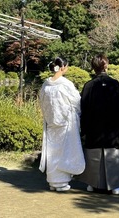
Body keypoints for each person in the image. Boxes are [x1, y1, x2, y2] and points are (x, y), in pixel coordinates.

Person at [79, 53, 119, 194]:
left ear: (93, 67)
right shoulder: (114, 84)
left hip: (94, 128)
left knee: (93, 153)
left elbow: (83, 109)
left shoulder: (88, 85)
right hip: (112, 129)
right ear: (106, 65)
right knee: (112, 153)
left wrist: (83, 129)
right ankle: (115, 186)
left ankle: (91, 184)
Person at [39, 57, 85, 192]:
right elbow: (77, 101)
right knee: (66, 150)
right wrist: (78, 114)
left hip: (51, 122)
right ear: (63, 66)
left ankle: (53, 181)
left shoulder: (45, 85)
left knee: (53, 150)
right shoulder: (66, 84)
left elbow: (43, 103)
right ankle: (61, 182)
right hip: (65, 121)